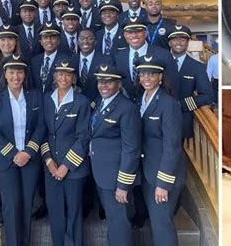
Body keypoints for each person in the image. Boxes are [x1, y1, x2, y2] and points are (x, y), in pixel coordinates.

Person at [0, 54, 45, 246]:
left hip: (30, 159)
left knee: (27, 205)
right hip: (4, 161)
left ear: (25, 74)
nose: (16, 76)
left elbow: (42, 126)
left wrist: (28, 152)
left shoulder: (35, 95)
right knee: (11, 206)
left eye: (19, 71)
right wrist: (14, 154)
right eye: (11, 72)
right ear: (5, 74)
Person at [135, 54, 186, 246]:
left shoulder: (168, 103)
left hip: (164, 175)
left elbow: (172, 146)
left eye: (152, 74)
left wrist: (163, 183)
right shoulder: (143, 99)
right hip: (149, 172)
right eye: (143, 74)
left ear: (160, 77)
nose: (146, 78)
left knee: (161, 223)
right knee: (156, 223)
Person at [40, 57, 91, 245]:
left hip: (74, 170)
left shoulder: (82, 102)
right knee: (55, 213)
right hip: (50, 168)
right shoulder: (46, 100)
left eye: (68, 74)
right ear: (54, 76)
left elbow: (83, 137)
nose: (63, 77)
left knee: (73, 214)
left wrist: (65, 166)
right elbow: (42, 132)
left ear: (73, 78)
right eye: (60, 73)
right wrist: (49, 162)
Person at [89, 64, 142, 246]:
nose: (104, 85)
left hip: (115, 179)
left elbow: (131, 149)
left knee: (119, 224)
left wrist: (123, 185)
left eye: (109, 82)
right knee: (114, 221)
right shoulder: (101, 103)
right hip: (102, 175)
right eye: (101, 81)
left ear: (119, 85)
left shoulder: (127, 108)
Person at [114, 17, 180, 101]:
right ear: (125, 35)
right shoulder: (119, 57)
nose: (134, 35)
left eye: (138, 31)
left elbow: (173, 86)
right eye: (130, 32)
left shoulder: (163, 55)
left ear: (145, 33)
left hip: (155, 107)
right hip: (127, 109)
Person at [168, 25, 213, 139]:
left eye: (183, 39)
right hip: (158, 120)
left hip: (182, 120)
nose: (178, 42)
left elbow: (207, 96)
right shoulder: (161, 63)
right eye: (175, 39)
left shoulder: (197, 67)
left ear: (188, 43)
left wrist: (182, 104)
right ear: (169, 43)